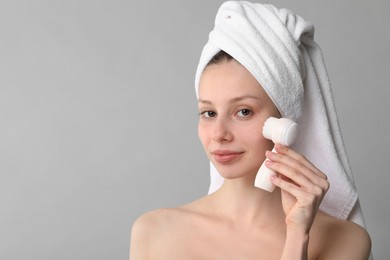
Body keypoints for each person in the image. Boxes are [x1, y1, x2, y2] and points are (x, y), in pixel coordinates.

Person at [129, 1, 371, 259]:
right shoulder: (154, 232)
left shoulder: (346, 240)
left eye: (243, 111)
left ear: (285, 121)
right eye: (209, 113)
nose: (219, 134)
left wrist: (297, 235)